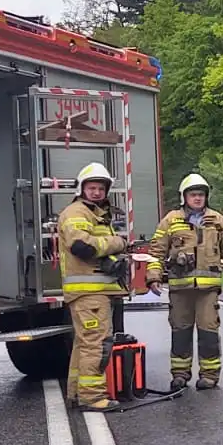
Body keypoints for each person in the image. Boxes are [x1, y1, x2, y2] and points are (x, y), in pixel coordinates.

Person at [144, 173, 223, 389]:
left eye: (201, 195)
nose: (197, 198)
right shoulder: (170, 221)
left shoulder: (218, 221)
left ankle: (209, 375)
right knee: (180, 331)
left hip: (208, 290)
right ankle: (180, 374)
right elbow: (156, 252)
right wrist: (153, 276)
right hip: (180, 288)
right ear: (184, 197)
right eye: (193, 194)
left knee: (208, 331)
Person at [60, 162, 131, 412]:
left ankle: (77, 394)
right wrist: (116, 243)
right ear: (82, 189)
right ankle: (92, 397)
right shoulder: (77, 213)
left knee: (84, 345)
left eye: (101, 188)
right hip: (89, 294)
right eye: (92, 188)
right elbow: (83, 247)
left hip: (95, 292)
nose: (97, 192)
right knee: (96, 344)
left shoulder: (97, 214)